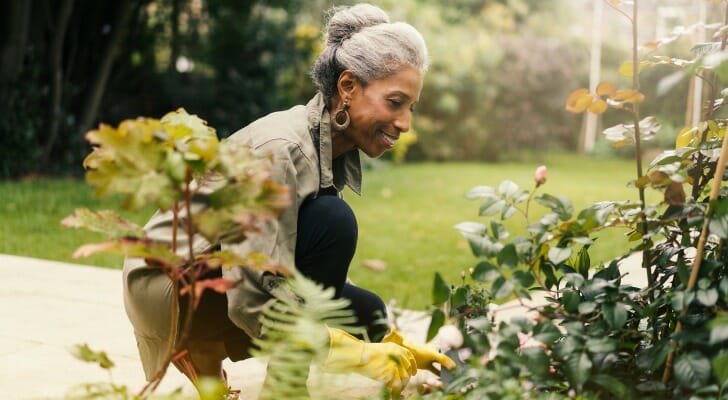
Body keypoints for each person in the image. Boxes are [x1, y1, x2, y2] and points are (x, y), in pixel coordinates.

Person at [122, 2, 454, 395]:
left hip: (211, 271)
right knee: (334, 221)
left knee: (367, 310)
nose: (405, 123)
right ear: (347, 87)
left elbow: (308, 267)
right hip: (167, 284)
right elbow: (248, 293)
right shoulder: (281, 150)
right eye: (395, 103)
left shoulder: (328, 145)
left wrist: (385, 338)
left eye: (411, 108)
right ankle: (258, 373)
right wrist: (348, 352)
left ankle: (209, 346)